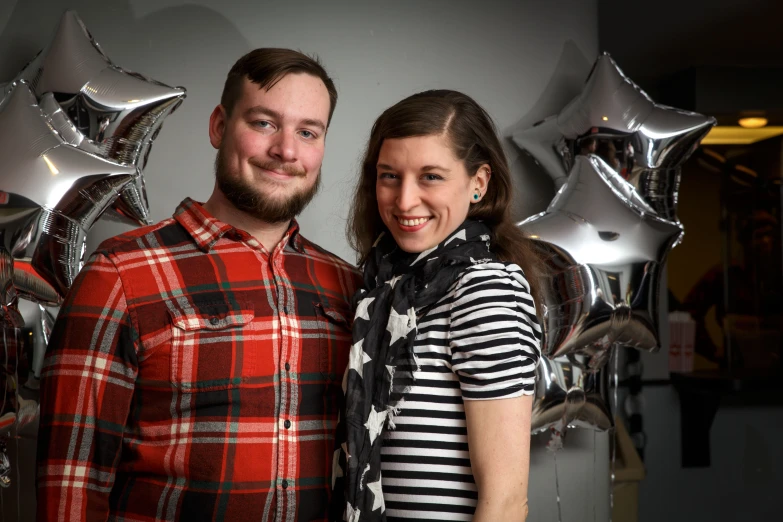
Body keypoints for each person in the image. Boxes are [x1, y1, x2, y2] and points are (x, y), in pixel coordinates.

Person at [36, 48, 362, 522]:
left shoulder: (346, 285)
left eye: (307, 132)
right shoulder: (122, 273)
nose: (286, 151)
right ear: (218, 126)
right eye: (264, 123)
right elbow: (71, 481)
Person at [332, 90, 543, 521]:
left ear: (479, 184)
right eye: (389, 175)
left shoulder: (484, 288)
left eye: (431, 177)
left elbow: (505, 502)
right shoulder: (382, 289)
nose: (405, 201)